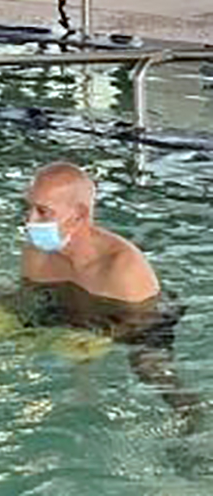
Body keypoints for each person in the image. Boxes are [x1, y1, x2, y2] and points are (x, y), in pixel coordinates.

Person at [16, 161, 202, 432]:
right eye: (29, 208)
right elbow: (28, 300)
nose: (30, 220)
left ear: (79, 215)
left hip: (140, 315)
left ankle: (193, 427)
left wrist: (99, 336)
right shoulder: (37, 253)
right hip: (77, 311)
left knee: (150, 368)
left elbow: (142, 322)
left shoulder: (122, 267)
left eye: (42, 212)